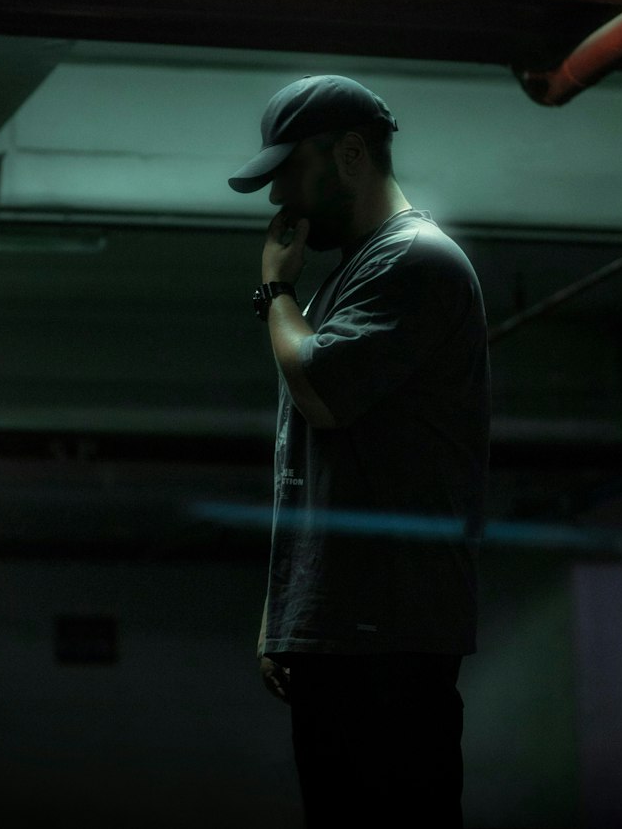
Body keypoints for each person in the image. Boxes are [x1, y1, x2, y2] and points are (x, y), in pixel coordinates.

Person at [228, 74, 490, 829]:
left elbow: (323, 391)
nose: (282, 201)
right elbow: (313, 466)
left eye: (289, 173)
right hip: (350, 631)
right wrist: (288, 619)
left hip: (389, 635)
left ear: (349, 153)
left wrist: (274, 291)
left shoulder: (413, 260)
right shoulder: (356, 273)